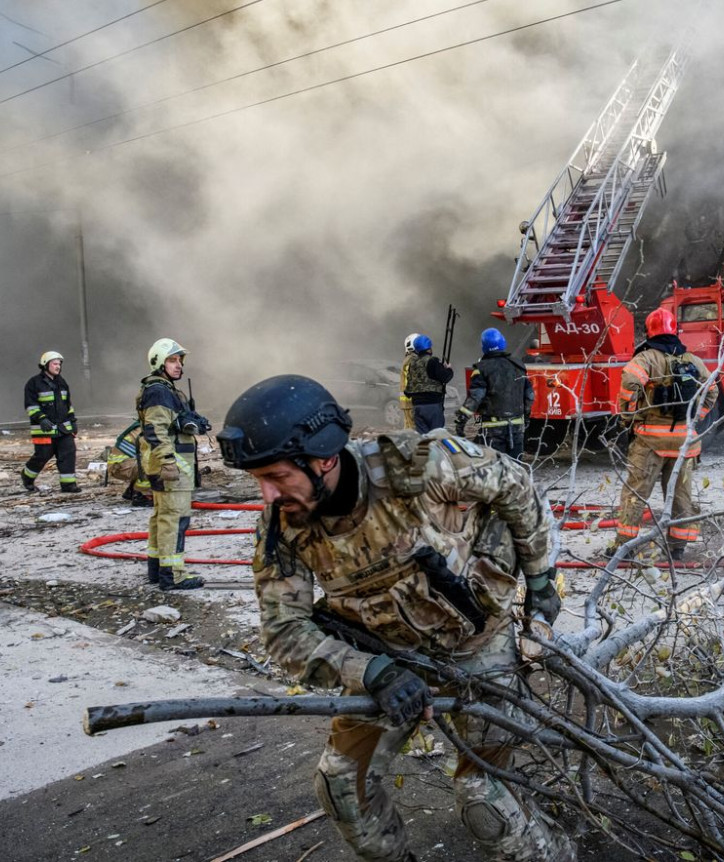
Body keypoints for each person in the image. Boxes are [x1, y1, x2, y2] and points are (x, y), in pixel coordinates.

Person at [216, 374, 574, 862]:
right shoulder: (283, 531)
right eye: (258, 480)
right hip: (385, 659)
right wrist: (372, 673)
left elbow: (515, 486)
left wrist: (538, 581)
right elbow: (283, 631)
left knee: (483, 800)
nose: (267, 496)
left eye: (276, 477)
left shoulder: (421, 466)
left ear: (322, 459)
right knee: (341, 787)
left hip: (478, 646)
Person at [604, 308, 716, 562]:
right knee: (680, 496)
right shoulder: (693, 360)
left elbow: (630, 385)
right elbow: (712, 391)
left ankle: (626, 545)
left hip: (650, 442)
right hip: (685, 443)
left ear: (649, 331)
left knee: (635, 493)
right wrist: (696, 416)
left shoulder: (646, 359)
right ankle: (678, 547)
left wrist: (628, 416)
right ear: (674, 330)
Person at [137, 338, 207, 591]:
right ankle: (173, 576)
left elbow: (167, 424)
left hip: (166, 464)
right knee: (174, 520)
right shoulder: (159, 390)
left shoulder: (165, 389)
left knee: (162, 517)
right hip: (172, 466)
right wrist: (168, 462)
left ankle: (157, 570)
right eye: (172, 360)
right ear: (158, 362)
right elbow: (155, 429)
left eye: (179, 361)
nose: (178, 366)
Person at [453, 327, 534, 460]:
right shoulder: (519, 366)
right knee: (515, 469)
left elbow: (475, 397)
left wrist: (461, 420)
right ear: (503, 343)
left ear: (483, 347)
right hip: (516, 427)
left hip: (493, 430)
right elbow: (530, 395)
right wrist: (526, 417)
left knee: (495, 468)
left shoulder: (481, 369)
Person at [21, 351, 81, 493]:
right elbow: (31, 406)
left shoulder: (62, 382)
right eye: (54, 363)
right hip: (44, 429)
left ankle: (68, 485)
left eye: (59, 364)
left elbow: (68, 405)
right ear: (45, 365)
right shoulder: (34, 383)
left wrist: (73, 421)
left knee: (68, 453)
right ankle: (27, 476)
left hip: (63, 428)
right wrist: (41, 419)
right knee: (43, 456)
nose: (58, 366)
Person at [404, 334, 453, 434]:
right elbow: (445, 377)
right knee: (437, 436)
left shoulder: (412, 364)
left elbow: (408, 390)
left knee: (423, 439)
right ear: (429, 348)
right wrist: (448, 369)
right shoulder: (432, 361)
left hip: (417, 406)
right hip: (432, 405)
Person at [399, 333, 419, 428]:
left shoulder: (409, 359)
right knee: (412, 429)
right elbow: (410, 382)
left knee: (408, 426)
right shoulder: (411, 360)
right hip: (411, 402)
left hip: (408, 402)